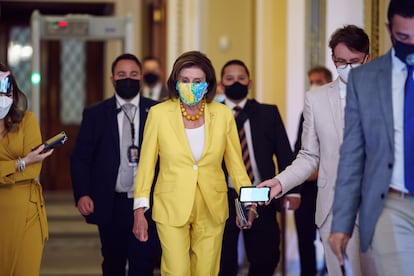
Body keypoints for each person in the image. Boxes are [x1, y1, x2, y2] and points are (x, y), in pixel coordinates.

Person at [258, 25, 377, 276]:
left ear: (368, 58)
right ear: (333, 59)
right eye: (342, 61)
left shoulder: (388, 94)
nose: (348, 67)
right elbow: (308, 155)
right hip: (333, 210)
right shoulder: (316, 99)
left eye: (355, 61)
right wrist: (280, 183)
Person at [132, 51, 256, 276]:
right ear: (175, 83)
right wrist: (140, 209)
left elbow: (237, 166)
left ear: (208, 84)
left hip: (212, 204)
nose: (191, 86)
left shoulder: (224, 114)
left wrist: (248, 202)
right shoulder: (158, 114)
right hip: (171, 204)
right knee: (176, 271)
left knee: (207, 271)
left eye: (197, 81)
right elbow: (146, 165)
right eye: (185, 80)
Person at [329, 1, 414, 275]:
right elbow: (352, 154)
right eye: (403, 37)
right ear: (389, 29)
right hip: (392, 204)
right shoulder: (365, 79)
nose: (411, 43)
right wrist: (341, 223)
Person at [70, 53, 161, 276]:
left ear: (140, 77)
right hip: (112, 203)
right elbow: (81, 158)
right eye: (122, 75)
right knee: (113, 263)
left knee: (143, 263)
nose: (127, 79)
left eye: (133, 74)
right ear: (112, 79)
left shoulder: (158, 111)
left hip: (148, 204)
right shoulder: (95, 114)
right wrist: (83, 193)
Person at [218, 59, 299, 276]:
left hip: (260, 192)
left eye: (241, 78)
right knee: (222, 259)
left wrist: (292, 190)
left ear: (250, 82)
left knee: (266, 256)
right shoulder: (212, 114)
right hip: (222, 195)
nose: (236, 82)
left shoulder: (267, 113)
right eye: (230, 79)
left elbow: (284, 153)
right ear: (220, 84)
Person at [0, 63, 54, 275]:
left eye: (7, 90)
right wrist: (20, 163)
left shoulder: (27, 121)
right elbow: (26, 165)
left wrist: (18, 167)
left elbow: (34, 169)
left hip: (25, 213)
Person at [294, 65, 332, 276]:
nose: (314, 85)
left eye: (319, 81)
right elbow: (299, 150)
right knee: (305, 239)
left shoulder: (342, 110)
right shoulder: (305, 114)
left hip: (330, 187)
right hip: (307, 189)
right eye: (312, 81)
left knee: (331, 240)